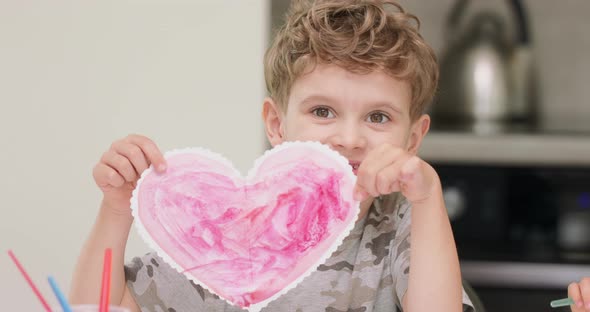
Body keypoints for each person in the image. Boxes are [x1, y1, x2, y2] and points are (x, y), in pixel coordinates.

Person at [67, 1, 588, 311]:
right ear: (276, 124)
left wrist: (428, 199)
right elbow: (102, 304)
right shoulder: (222, 227)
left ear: (413, 137)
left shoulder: (404, 230)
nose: (349, 138)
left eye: (378, 118)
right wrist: (117, 207)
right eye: (322, 111)